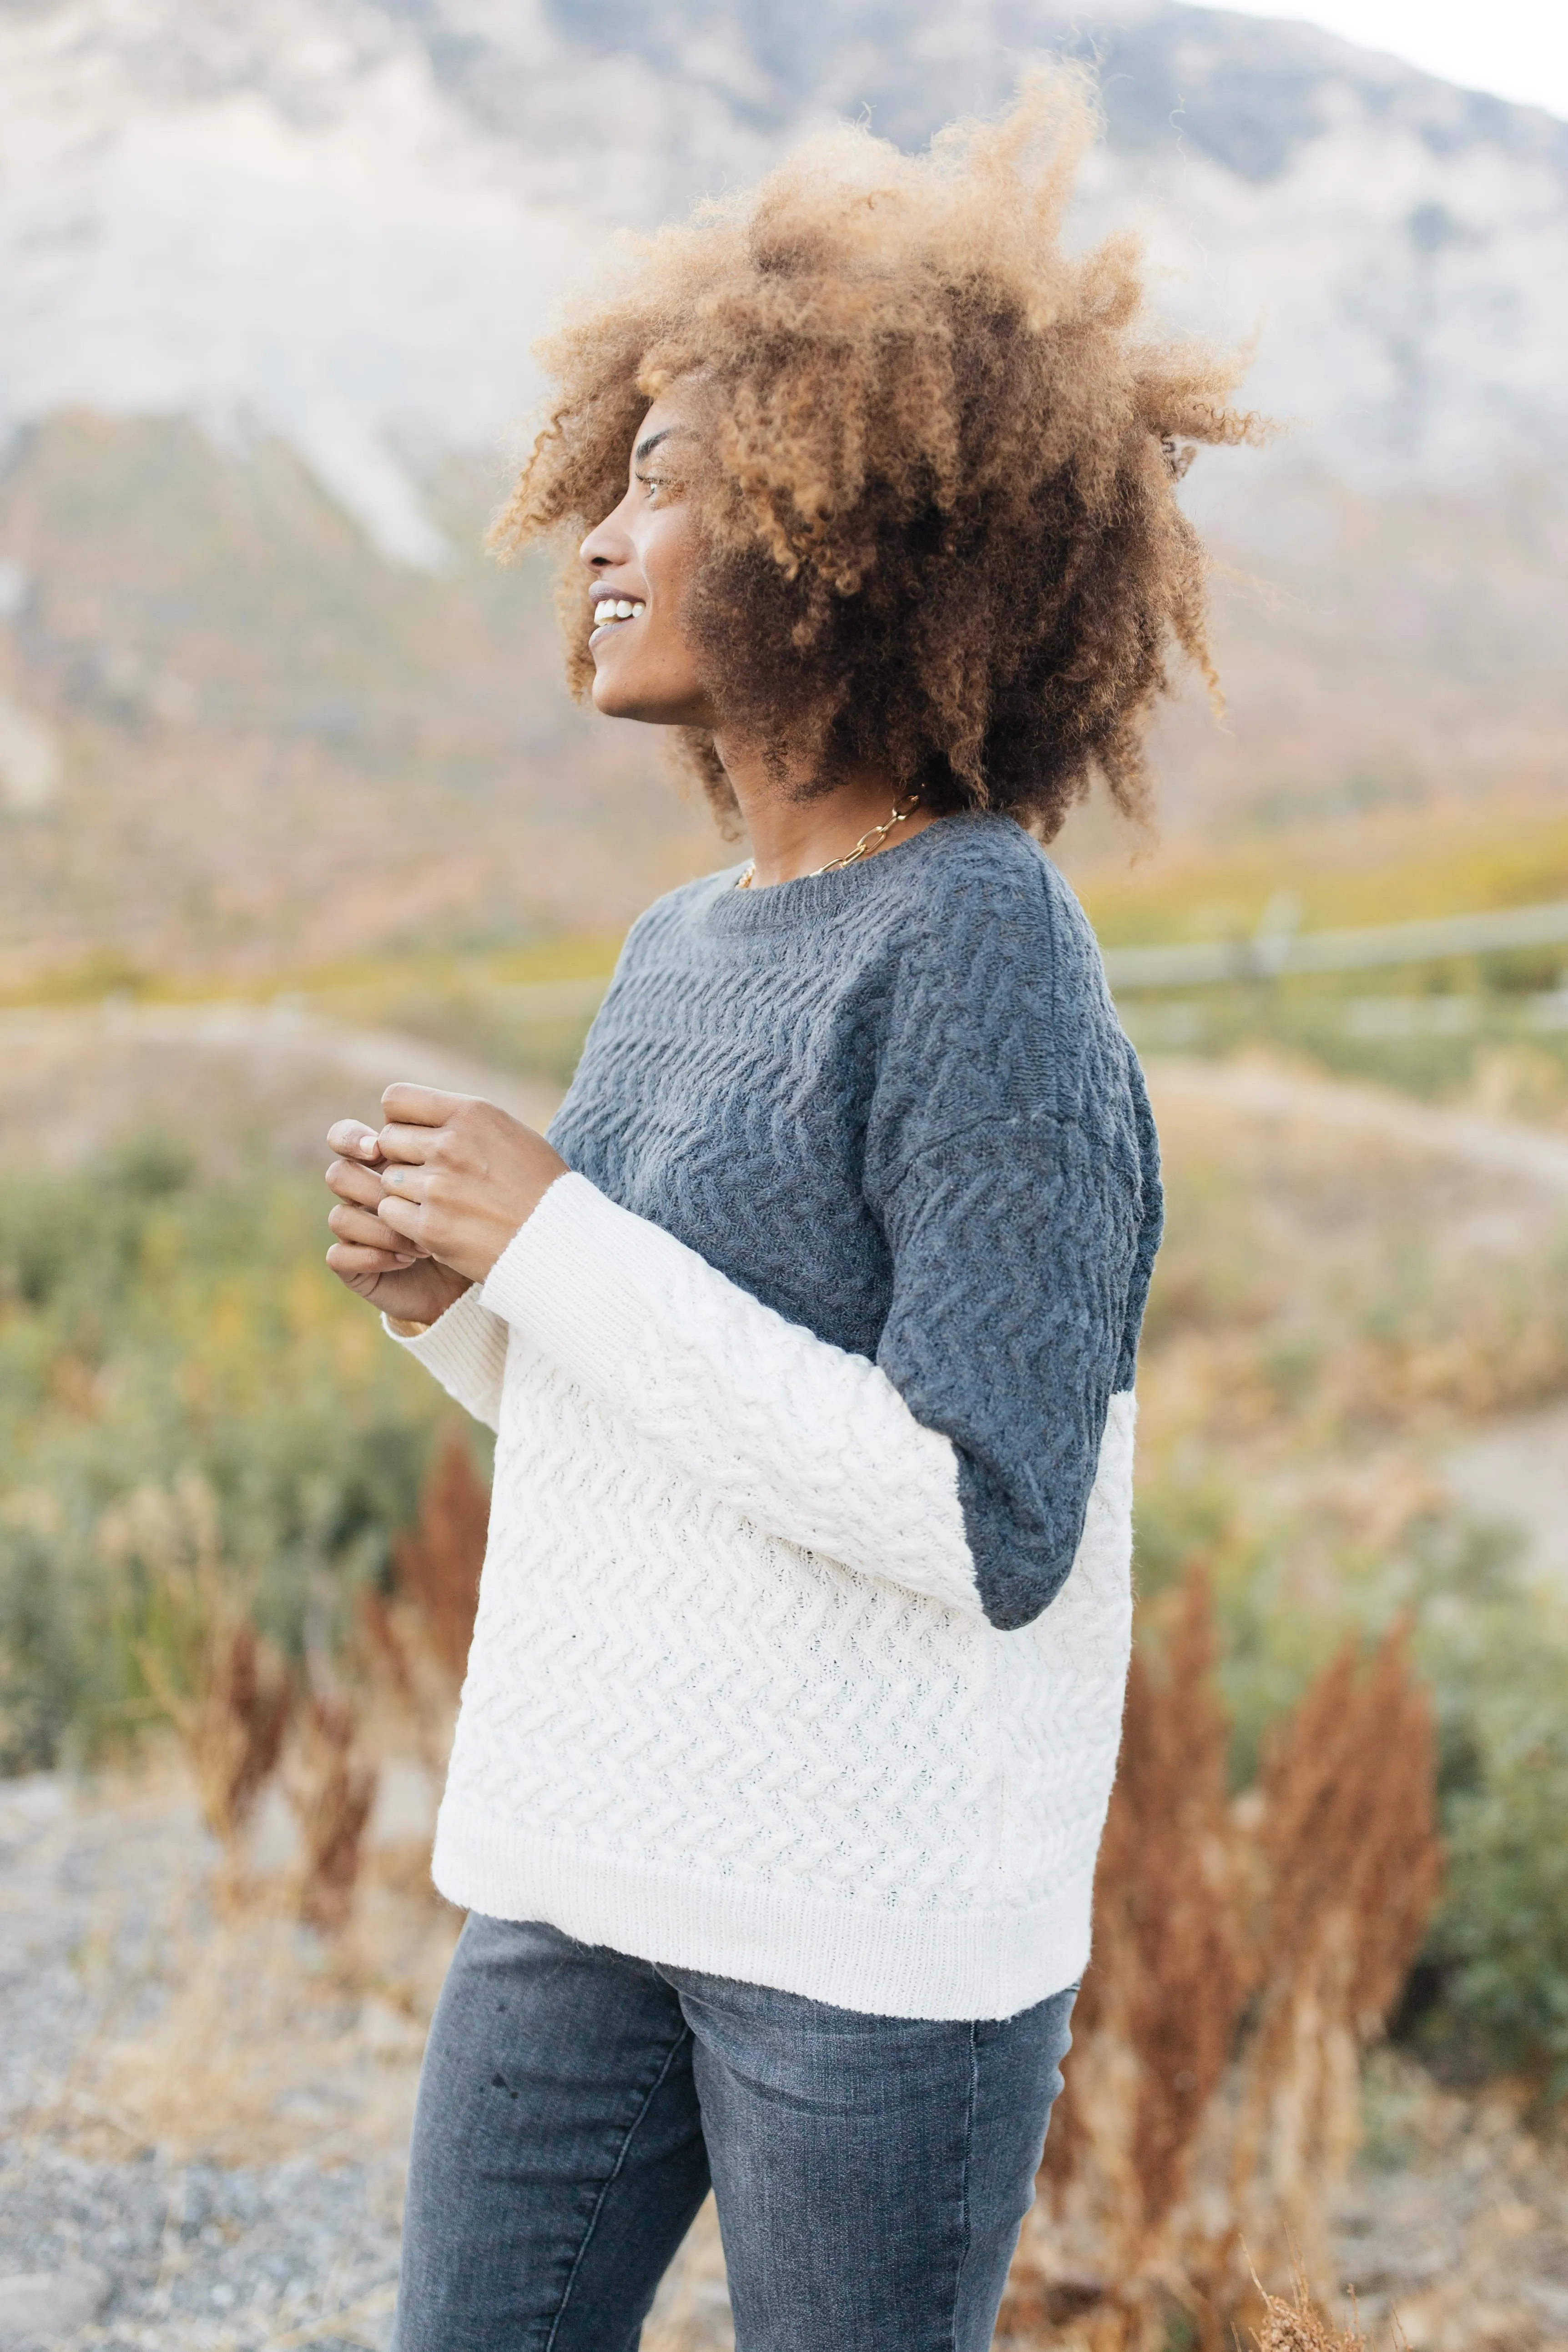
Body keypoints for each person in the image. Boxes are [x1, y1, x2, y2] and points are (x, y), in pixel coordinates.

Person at [323, 69, 1254, 2352]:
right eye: (604, 485)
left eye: (673, 482)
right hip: (576, 1869)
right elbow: (633, 1413)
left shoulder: (983, 942)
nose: (604, 540)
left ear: (867, 530)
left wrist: (559, 1239)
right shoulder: (678, 943)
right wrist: (462, 1300)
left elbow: (980, 1512)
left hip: (866, 1942)